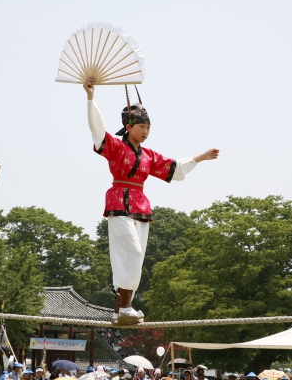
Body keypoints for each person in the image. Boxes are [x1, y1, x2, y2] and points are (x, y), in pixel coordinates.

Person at [83, 78, 220, 324]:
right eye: (141, 126)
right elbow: (97, 130)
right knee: (131, 253)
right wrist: (91, 98)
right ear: (128, 125)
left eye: (148, 127)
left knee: (138, 256)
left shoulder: (148, 155)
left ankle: (121, 309)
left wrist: (202, 157)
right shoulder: (114, 146)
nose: (145, 131)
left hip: (140, 205)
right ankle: (125, 307)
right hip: (119, 202)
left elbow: (174, 168)